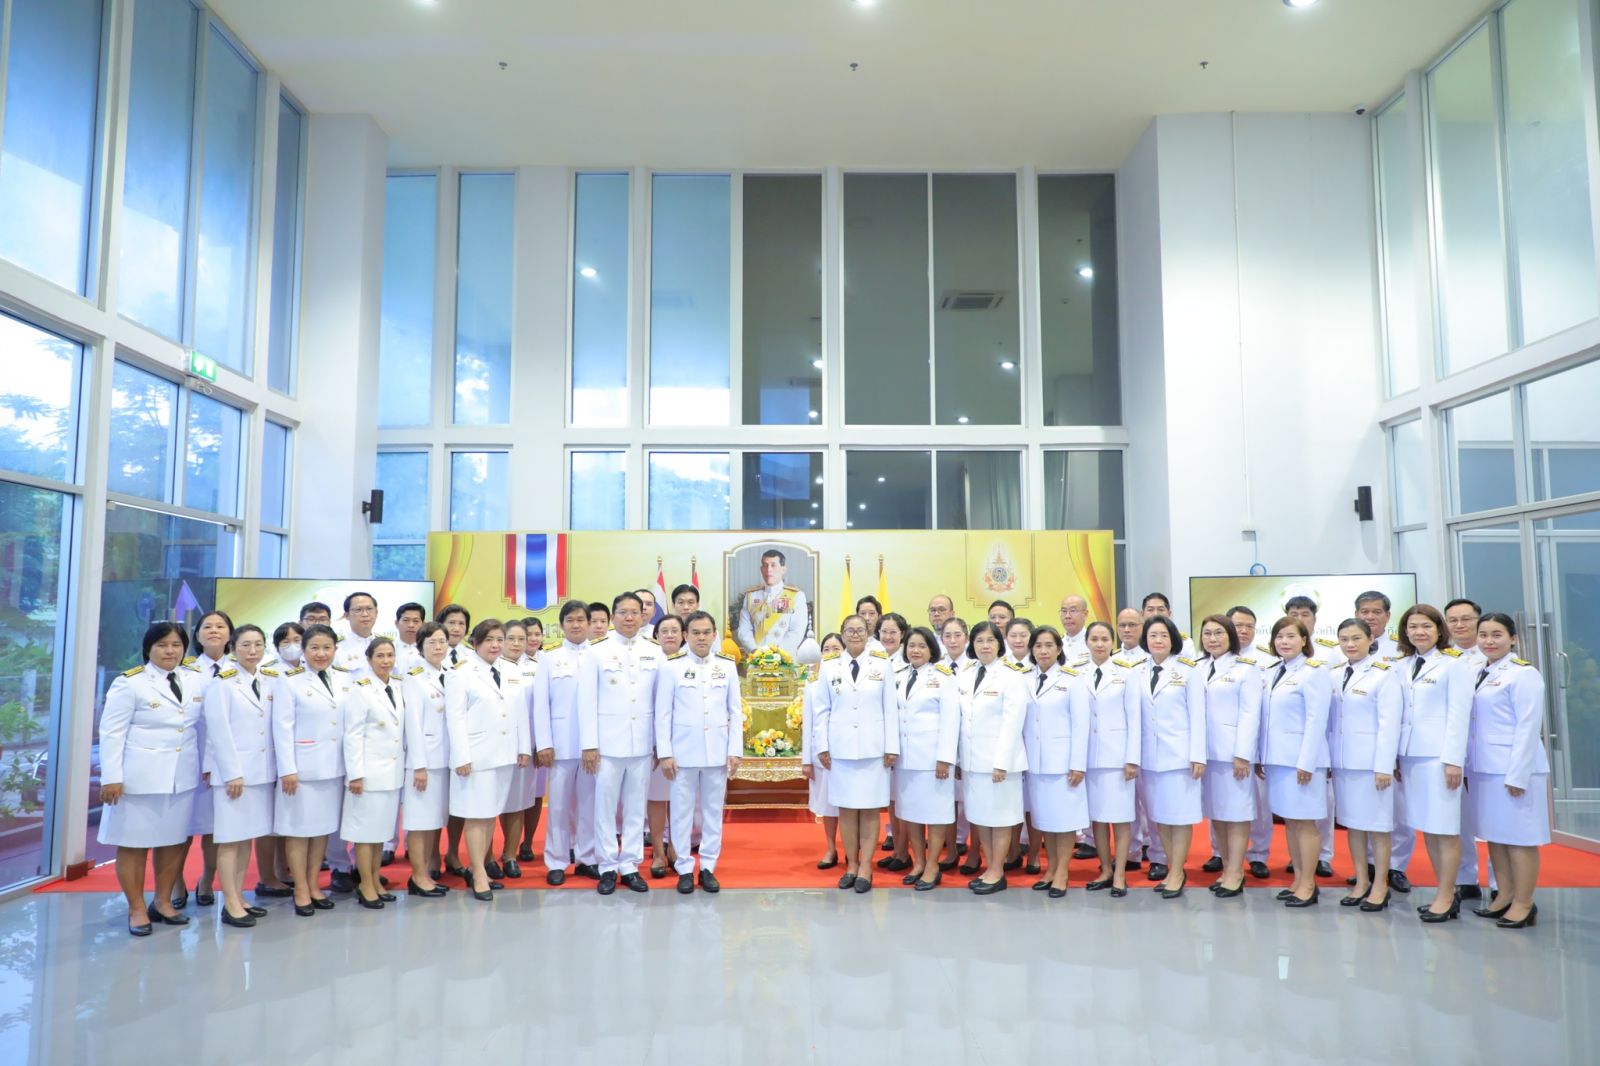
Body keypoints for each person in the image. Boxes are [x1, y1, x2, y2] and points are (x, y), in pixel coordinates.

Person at [99, 622, 205, 936]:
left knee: (172, 842)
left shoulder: (194, 680)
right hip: (137, 780)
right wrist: (112, 777)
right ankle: (135, 909)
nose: (170, 651)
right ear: (149, 648)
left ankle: (162, 901)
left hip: (181, 777)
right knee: (134, 845)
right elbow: (111, 733)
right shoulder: (129, 683)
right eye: (162, 645)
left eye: (176, 645)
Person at [1467, 613, 1548, 929]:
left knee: (1520, 838)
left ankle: (1525, 903)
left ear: (1513, 638)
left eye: (1497, 634)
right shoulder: (1479, 671)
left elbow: (1529, 726)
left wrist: (1518, 774)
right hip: (1485, 768)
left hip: (1514, 770)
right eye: (1483, 634)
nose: (1489, 641)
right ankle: (1504, 895)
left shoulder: (1523, 674)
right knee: (1496, 837)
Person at [1393, 604, 1472, 921]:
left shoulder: (1454, 665)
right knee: (1427, 827)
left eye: (1425, 626)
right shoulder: (1403, 665)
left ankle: (1447, 895)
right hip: (1411, 757)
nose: (1418, 632)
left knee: (1445, 828)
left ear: (1439, 630)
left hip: (1439, 759)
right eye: (1412, 626)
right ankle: (1444, 892)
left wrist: (1454, 760)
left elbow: (1459, 715)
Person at [580, 592, 662, 895]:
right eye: (623, 612)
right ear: (613, 617)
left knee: (635, 808)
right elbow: (585, 701)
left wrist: (659, 745)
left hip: (642, 743)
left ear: (643, 616)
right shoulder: (597, 651)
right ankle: (606, 866)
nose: (629, 618)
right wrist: (589, 744)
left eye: (634, 612)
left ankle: (629, 865)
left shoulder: (654, 652)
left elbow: (661, 702)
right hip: (607, 745)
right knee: (604, 808)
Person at [655, 611, 743, 893]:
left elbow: (735, 712)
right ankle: (683, 867)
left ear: (715, 635)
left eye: (706, 632)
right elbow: (662, 713)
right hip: (683, 753)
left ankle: (707, 867)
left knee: (712, 812)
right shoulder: (672, 667)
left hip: (717, 753)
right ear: (685, 635)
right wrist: (665, 753)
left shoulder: (726, 667)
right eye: (696, 632)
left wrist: (735, 750)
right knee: (681, 813)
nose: (701, 637)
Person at [447, 619, 532, 901]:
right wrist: (461, 756)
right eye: (490, 640)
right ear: (476, 642)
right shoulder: (461, 673)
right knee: (476, 814)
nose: (496, 645)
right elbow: (455, 719)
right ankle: (479, 874)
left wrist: (523, 748)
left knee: (490, 814)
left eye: (499, 639)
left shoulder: (511, 669)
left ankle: (479, 866)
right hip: (476, 756)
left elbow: (520, 711)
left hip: (505, 753)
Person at [814, 614, 899, 893]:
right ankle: (851, 864)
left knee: (871, 809)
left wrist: (891, 747)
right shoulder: (828, 667)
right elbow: (821, 711)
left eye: (860, 630)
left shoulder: (881, 663)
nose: (854, 635)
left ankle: (866, 866)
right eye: (849, 630)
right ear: (841, 634)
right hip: (840, 749)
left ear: (868, 632)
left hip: (874, 750)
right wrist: (822, 746)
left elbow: (890, 709)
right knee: (847, 810)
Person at [273, 623, 352, 916]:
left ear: (335, 650)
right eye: (314, 648)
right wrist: (287, 770)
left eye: (327, 648)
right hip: (302, 769)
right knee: (298, 829)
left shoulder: (344, 680)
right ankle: (301, 888)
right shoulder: (289, 681)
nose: (321, 654)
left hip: (333, 767)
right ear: (303, 651)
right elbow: (281, 728)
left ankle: (314, 884)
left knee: (321, 829)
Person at [203, 624, 277, 928]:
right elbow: (218, 731)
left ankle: (241, 896)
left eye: (258, 645)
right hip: (234, 776)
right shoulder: (223, 682)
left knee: (247, 837)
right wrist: (232, 772)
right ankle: (229, 902)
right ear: (233, 648)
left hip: (260, 773)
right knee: (230, 840)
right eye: (246, 645)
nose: (252, 651)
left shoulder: (267, 680)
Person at [1329, 618, 1403, 913]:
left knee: (1378, 826)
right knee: (1354, 826)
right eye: (1344, 638)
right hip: (1344, 762)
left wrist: (1384, 765)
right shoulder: (1334, 674)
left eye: (1356, 638)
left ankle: (1381, 884)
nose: (1350, 644)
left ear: (1370, 639)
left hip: (1373, 765)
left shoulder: (1384, 674)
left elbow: (1389, 724)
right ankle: (1361, 881)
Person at [1260, 616, 1333, 907]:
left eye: (1291, 636)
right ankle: (1298, 879)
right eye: (1279, 637)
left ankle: (1309, 884)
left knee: (1305, 823)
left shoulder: (1313, 672)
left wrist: (1307, 762)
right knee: (1290, 821)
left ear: (1304, 640)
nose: (1284, 642)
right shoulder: (1275, 670)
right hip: (1278, 760)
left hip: (1301, 762)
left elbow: (1317, 720)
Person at [1134, 616, 1205, 899]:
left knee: (1180, 816)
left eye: (1163, 635)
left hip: (1180, 757)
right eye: (1152, 635)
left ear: (1173, 639)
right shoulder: (1138, 671)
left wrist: (1197, 755)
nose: (1158, 640)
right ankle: (1168, 865)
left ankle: (1177, 871)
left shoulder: (1188, 671)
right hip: (1150, 758)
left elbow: (1198, 715)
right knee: (1161, 817)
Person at [956, 621, 1027, 894]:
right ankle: (989, 867)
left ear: (1000, 644)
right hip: (973, 762)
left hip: (999, 764)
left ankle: (997, 871)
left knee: (1000, 817)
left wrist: (1002, 763)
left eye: (990, 640)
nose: (984, 646)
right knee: (980, 817)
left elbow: (1013, 723)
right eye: (979, 641)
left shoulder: (1011, 676)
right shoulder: (966, 674)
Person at [1196, 614, 1260, 899]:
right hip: (1205, 754)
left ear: (1230, 636)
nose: (1212, 638)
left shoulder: (1246, 668)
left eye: (1218, 633)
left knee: (1236, 814)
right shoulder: (1197, 667)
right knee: (1218, 815)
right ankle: (1225, 867)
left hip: (1233, 754)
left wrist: (1243, 754)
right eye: (1207, 633)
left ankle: (1236, 872)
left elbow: (1250, 714)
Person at [534, 600, 599, 884]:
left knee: (590, 805)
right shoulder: (548, 658)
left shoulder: (599, 655)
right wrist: (543, 743)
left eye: (581, 620)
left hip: (593, 746)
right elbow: (540, 705)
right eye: (570, 620)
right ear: (561, 625)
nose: (576, 625)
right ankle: (557, 861)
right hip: (560, 745)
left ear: (589, 623)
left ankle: (587, 858)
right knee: (558, 807)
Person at [1022, 627, 1090, 898]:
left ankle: (1062, 871)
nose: (1043, 651)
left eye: (1049, 645)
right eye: (1038, 646)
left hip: (1063, 763)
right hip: (1035, 763)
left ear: (1059, 649)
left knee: (1064, 821)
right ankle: (1050, 869)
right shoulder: (1024, 679)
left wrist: (1077, 763)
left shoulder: (1072, 679)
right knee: (1044, 820)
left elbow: (1081, 724)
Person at [172, 609, 233, 910]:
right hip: (189, 759)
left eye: (220, 626)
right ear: (196, 635)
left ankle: (207, 879)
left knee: (214, 827)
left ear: (229, 634)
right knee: (180, 826)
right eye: (207, 626)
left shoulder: (239, 669)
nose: (214, 631)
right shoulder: (185, 672)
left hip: (224, 762)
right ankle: (175, 881)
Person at [340, 637, 406, 909]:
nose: (386, 660)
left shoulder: (398, 687)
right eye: (380, 655)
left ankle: (376, 879)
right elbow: (352, 735)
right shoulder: (360, 690)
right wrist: (355, 774)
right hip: (368, 774)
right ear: (369, 659)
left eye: (390, 655)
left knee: (380, 833)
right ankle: (365, 884)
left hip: (391, 773)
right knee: (365, 834)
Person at [894, 626, 960, 890]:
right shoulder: (900, 676)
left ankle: (933, 866)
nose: (916, 650)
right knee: (910, 813)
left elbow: (951, 720)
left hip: (933, 761)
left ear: (931, 649)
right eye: (911, 646)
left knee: (935, 814)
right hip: (906, 760)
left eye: (921, 646)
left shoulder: (943, 677)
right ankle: (919, 862)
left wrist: (945, 758)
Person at [1281, 594, 1337, 879]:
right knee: (1295, 817)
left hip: (1312, 752)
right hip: (1284, 754)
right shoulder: (1278, 665)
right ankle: (1300, 868)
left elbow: (1319, 717)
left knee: (1317, 811)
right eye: (1293, 613)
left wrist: (1309, 759)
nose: (1299, 618)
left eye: (1304, 615)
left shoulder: (1324, 659)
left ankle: (1320, 861)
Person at [1082, 621, 1139, 896]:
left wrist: (1132, 758)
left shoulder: (1126, 673)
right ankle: (1104, 868)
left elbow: (1134, 718)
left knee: (1121, 817)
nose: (1100, 644)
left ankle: (1119, 873)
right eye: (1094, 639)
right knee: (1098, 818)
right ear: (1087, 642)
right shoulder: (1076, 673)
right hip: (1089, 758)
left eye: (1105, 638)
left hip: (1118, 758)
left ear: (1112, 642)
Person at [400, 621, 451, 897]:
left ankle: (428, 869)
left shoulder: (449, 673)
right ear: (420, 647)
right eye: (432, 642)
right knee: (419, 823)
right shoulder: (414, 678)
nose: (438, 646)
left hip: (444, 760)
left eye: (442, 641)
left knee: (433, 820)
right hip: (424, 763)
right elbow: (413, 725)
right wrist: (419, 766)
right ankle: (418, 877)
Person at [1443, 596, 1490, 900]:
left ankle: (1501, 885)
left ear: (1478, 620)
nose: (1459, 625)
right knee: (1456, 817)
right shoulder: (1441, 659)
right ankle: (1466, 878)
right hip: (1451, 749)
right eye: (1453, 620)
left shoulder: (1494, 656)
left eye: (1466, 619)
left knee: (1495, 821)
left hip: (1487, 748)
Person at [1227, 605, 1274, 880]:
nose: (1243, 631)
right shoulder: (1212, 658)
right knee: (1220, 801)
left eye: (1249, 626)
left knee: (1257, 801)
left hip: (1257, 743)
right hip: (1223, 744)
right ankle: (1219, 853)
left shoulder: (1266, 660)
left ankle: (1258, 854)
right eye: (1237, 625)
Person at [491, 620, 537, 880]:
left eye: (522, 639)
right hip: (497, 746)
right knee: (495, 801)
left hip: (525, 746)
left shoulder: (537, 669)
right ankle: (488, 856)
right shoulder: (490, 668)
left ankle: (510, 855)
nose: (517, 644)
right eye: (511, 639)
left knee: (518, 802)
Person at [802, 632, 847, 869]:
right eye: (827, 649)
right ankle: (831, 848)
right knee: (828, 808)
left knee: (851, 806)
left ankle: (852, 849)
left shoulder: (851, 681)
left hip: (848, 754)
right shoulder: (812, 683)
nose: (831, 653)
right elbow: (808, 724)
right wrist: (806, 760)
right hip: (823, 756)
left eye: (836, 648)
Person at [647, 614, 686, 877]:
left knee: (680, 799)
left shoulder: (691, 662)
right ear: (656, 636)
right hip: (653, 741)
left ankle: (676, 847)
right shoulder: (648, 662)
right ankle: (658, 851)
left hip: (684, 742)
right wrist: (655, 744)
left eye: (675, 630)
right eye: (664, 631)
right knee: (658, 797)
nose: (670, 635)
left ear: (684, 635)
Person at [875, 612, 914, 872]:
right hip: (880, 743)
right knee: (890, 800)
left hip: (904, 743)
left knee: (904, 800)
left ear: (902, 635)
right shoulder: (873, 663)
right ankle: (898, 850)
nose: (888, 637)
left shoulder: (909, 664)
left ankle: (906, 852)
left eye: (893, 632)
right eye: (884, 632)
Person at [514, 615, 549, 865]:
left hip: (539, 741)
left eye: (538, 634)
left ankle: (527, 843)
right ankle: (510, 845)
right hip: (514, 741)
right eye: (529, 635)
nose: (534, 639)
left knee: (536, 793)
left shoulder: (546, 663)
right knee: (514, 795)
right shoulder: (509, 664)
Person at [735, 549, 810, 654]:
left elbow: (797, 631)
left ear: (783, 569)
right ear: (761, 569)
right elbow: (744, 630)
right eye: (765, 565)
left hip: (784, 659)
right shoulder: (751, 596)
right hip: (757, 658)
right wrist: (755, 650)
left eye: (773, 565)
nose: (768, 569)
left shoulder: (796, 596)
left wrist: (775, 653)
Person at [394, 602, 427, 673]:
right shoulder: (388, 648)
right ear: (396, 623)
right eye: (406, 620)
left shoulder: (429, 649)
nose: (411, 625)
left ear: (423, 625)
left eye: (416, 621)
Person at [438, 603, 471, 668]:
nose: (456, 629)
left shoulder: (473, 655)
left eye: (461, 623)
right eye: (451, 623)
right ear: (440, 625)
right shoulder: (428, 654)